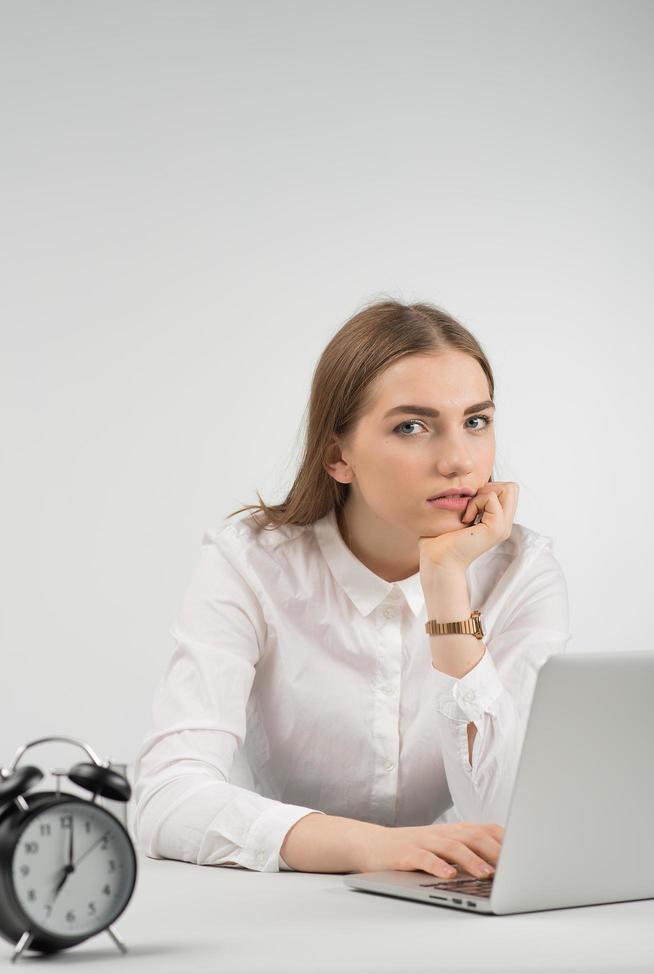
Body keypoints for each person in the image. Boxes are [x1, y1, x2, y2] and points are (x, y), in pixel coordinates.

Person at [132, 298, 571, 879]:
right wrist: (372, 848)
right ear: (339, 455)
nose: (460, 460)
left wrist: (445, 583)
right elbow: (166, 796)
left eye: (476, 421)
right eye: (412, 427)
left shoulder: (523, 570)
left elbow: (507, 816)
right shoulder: (250, 564)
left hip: (451, 918)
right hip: (271, 912)